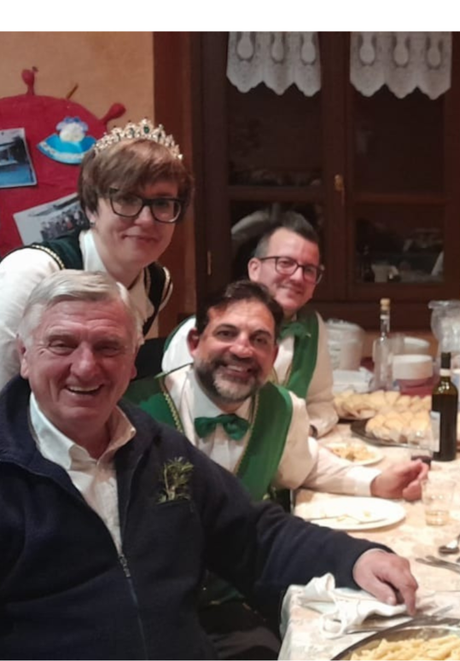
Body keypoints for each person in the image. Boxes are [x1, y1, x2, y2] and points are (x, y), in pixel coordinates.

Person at [0, 271, 419, 659]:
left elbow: (250, 533)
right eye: (62, 344)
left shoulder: (153, 445)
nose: (85, 366)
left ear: (131, 362)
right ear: (24, 355)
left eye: (108, 347)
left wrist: (355, 558)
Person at [131, 280, 428, 504]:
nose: (242, 350)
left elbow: (305, 465)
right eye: (226, 333)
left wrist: (376, 482)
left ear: (272, 356)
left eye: (259, 339)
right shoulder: (133, 411)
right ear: (195, 343)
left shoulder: (283, 409)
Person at [0, 119, 192, 386]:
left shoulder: (157, 284)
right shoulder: (33, 272)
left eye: (162, 203)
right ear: (91, 208)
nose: (146, 220)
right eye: (126, 199)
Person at [163, 212, 340, 437]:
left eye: (309, 270)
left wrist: (300, 436)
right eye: (285, 263)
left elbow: (321, 404)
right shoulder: (201, 331)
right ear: (254, 268)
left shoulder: (312, 328)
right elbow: (178, 414)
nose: (298, 277)